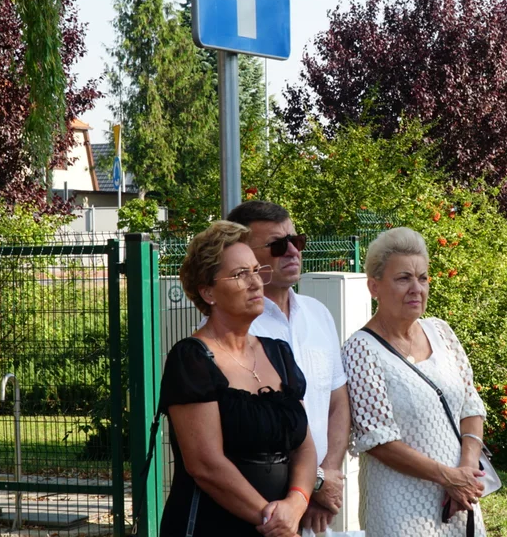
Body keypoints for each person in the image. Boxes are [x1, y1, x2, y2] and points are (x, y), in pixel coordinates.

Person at [160, 220, 318, 537]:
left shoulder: (279, 353)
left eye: (257, 271)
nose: (255, 282)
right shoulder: (191, 359)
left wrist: (297, 503)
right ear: (208, 291)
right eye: (240, 274)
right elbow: (205, 466)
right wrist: (274, 521)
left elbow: (305, 446)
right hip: (213, 527)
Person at [342, 227, 488, 537]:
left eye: (422, 278)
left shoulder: (441, 332)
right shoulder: (360, 349)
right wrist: (447, 476)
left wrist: (465, 470)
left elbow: (471, 405)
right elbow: (378, 440)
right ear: (374, 286)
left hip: (459, 499)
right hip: (399, 507)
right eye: (403, 278)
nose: (416, 288)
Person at [221, 201, 351, 536]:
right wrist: (312, 486)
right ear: (244, 255)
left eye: (298, 240)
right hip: (266, 507)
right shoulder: (236, 329)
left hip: (320, 506)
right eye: (278, 245)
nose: (293, 251)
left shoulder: (318, 313)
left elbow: (337, 401)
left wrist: (329, 472)